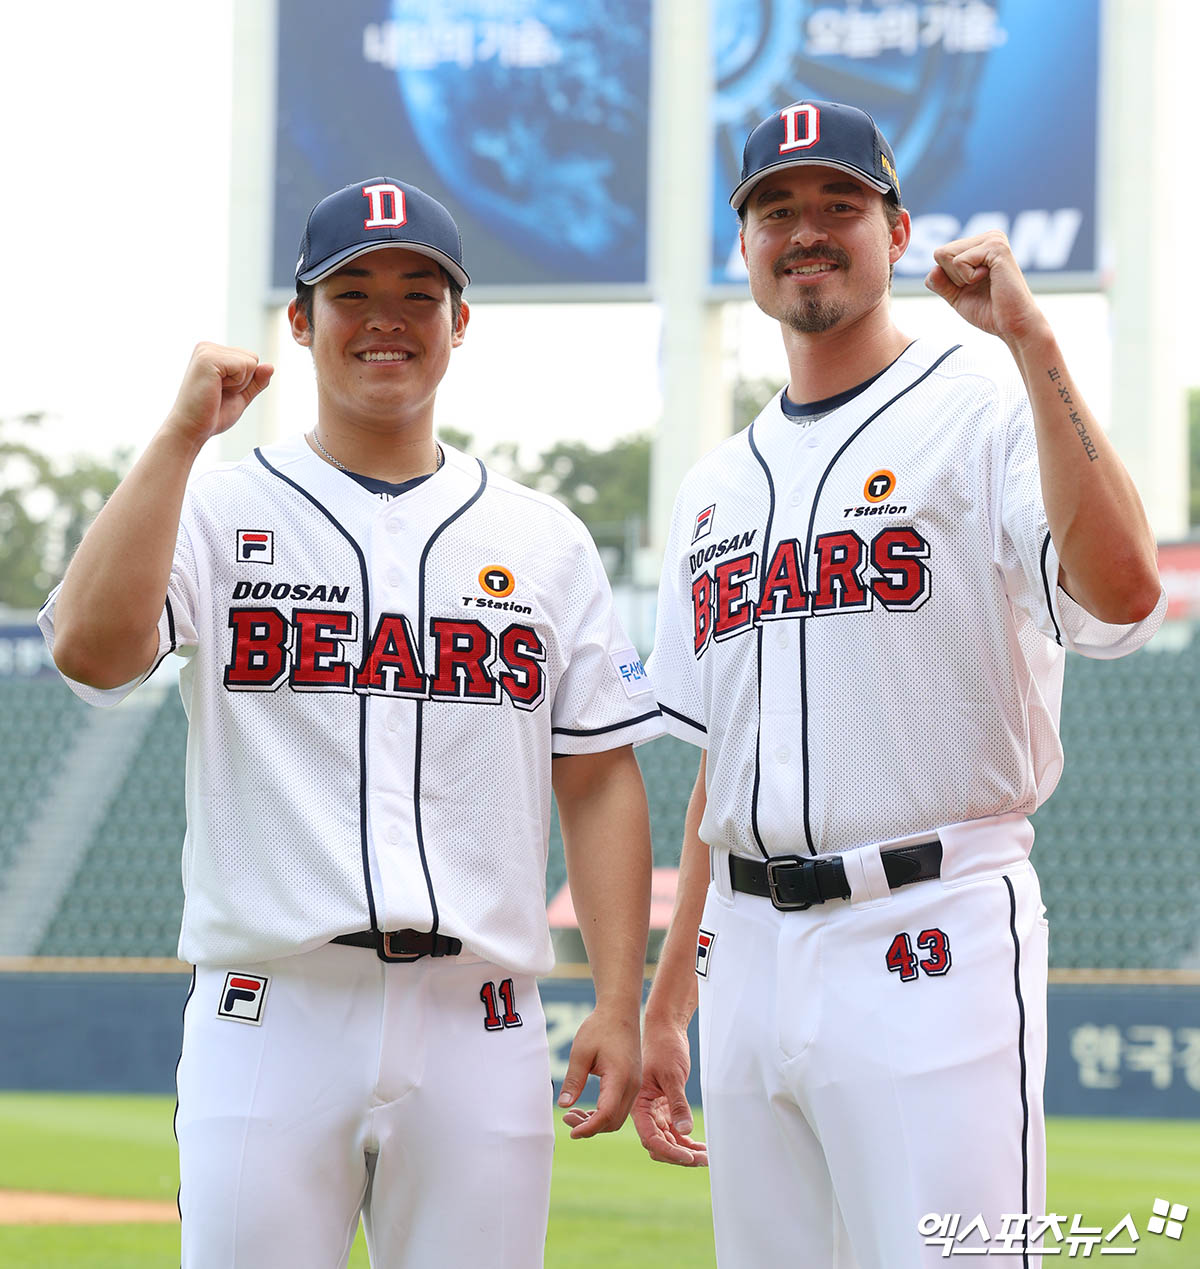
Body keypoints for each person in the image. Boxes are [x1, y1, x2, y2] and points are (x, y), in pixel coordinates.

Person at [39, 176, 663, 1268]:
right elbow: (89, 650)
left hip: (483, 1018)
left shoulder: (546, 539)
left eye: (420, 293)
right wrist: (182, 436)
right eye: (352, 291)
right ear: (299, 321)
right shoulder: (220, 508)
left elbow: (599, 776)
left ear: (460, 323)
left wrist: (619, 999)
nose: (387, 317)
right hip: (270, 1013)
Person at [631, 100, 1165, 1266]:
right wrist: (670, 1004)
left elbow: (1124, 592)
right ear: (746, 247)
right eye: (778, 210)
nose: (807, 231)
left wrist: (1033, 342)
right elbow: (727, 761)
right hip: (751, 955)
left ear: (897, 231)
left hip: (932, 928)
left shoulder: (984, 411)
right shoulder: (715, 485)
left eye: (840, 206)